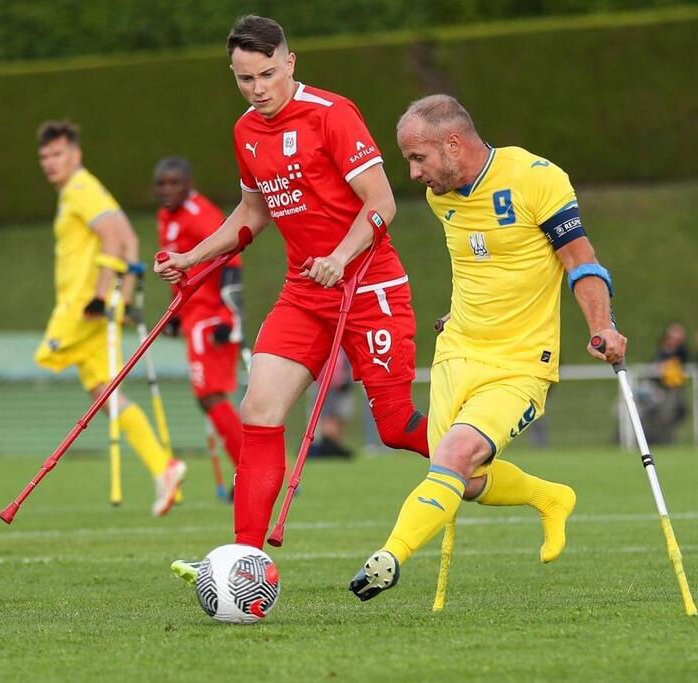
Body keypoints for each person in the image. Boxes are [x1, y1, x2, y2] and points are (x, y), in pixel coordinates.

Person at [157, 16, 429, 564]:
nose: (257, 89)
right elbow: (252, 214)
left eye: (266, 74)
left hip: (369, 287)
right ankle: (244, 560)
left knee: (397, 427)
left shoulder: (333, 115)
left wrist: (339, 256)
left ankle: (483, 459)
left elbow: (382, 203)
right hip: (304, 294)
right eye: (243, 79)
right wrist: (192, 257)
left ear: (290, 62)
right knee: (258, 409)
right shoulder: (245, 132)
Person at [349, 95, 627, 601]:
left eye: (418, 158)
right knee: (463, 477)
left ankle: (387, 559)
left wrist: (603, 326)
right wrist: (461, 314)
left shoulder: (535, 178)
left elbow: (581, 262)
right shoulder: (441, 197)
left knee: (454, 456)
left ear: (453, 144)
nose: (412, 174)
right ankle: (549, 496)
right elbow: (484, 264)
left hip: (520, 362)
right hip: (456, 352)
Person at [33, 120, 186, 517]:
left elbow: (115, 240)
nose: (50, 163)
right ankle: (163, 468)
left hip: (82, 311)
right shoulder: (79, 191)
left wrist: (103, 298)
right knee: (104, 394)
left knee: (49, 363)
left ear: (75, 155)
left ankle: (162, 467)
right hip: (91, 308)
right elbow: (130, 239)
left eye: (58, 154)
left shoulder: (81, 188)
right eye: (45, 156)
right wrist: (127, 296)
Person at [154, 156, 245, 473]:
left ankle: (252, 469)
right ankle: (254, 468)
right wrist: (176, 313)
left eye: (175, 183)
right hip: (192, 316)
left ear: (189, 184)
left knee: (210, 395)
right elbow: (178, 268)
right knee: (210, 397)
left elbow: (231, 259)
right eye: (162, 184)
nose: (167, 190)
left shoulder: (199, 214)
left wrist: (229, 316)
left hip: (211, 317)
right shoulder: (166, 216)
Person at [646, 322, 689, 444]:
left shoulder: (682, 351)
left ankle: (665, 438)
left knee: (670, 414)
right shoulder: (661, 349)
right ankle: (657, 438)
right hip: (659, 388)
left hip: (673, 388)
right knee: (658, 414)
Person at [308, 352, 355, 458]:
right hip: (326, 386)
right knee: (329, 419)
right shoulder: (327, 348)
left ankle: (334, 447)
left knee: (339, 418)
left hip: (341, 387)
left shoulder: (344, 350)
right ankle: (330, 447)